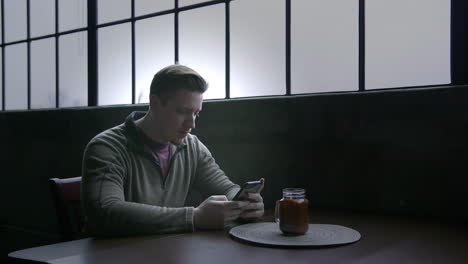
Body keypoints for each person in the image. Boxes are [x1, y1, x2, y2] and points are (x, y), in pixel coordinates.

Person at [81, 64, 264, 237]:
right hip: (110, 256)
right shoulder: (107, 147)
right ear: (154, 103)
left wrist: (244, 204)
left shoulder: (192, 146)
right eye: (183, 111)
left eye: (196, 113)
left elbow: (226, 188)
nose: (191, 123)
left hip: (165, 252)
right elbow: (105, 212)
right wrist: (194, 217)